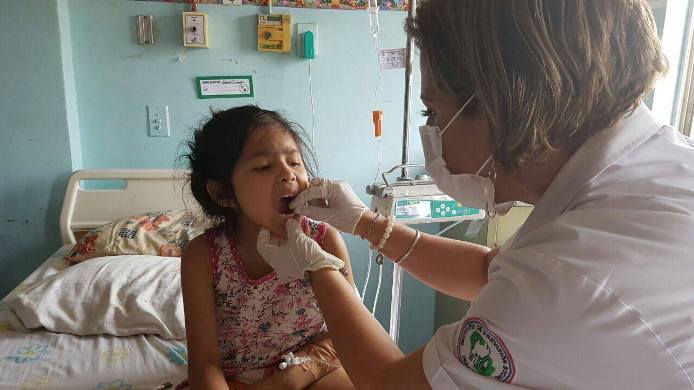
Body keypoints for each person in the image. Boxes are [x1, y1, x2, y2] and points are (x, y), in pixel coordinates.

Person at [256, 1, 694, 388]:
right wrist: (365, 224)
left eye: (433, 111)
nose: (432, 133)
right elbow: (489, 271)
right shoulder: (657, 170)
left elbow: (391, 384)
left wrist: (317, 266)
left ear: (500, 103)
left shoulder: (568, 279)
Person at [179, 105, 355, 390]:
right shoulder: (204, 256)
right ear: (223, 193)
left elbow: (347, 334)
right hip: (236, 378)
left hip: (312, 366)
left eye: (295, 162)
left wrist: (290, 379)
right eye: (263, 167)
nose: (289, 175)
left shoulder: (324, 240)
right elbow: (204, 363)